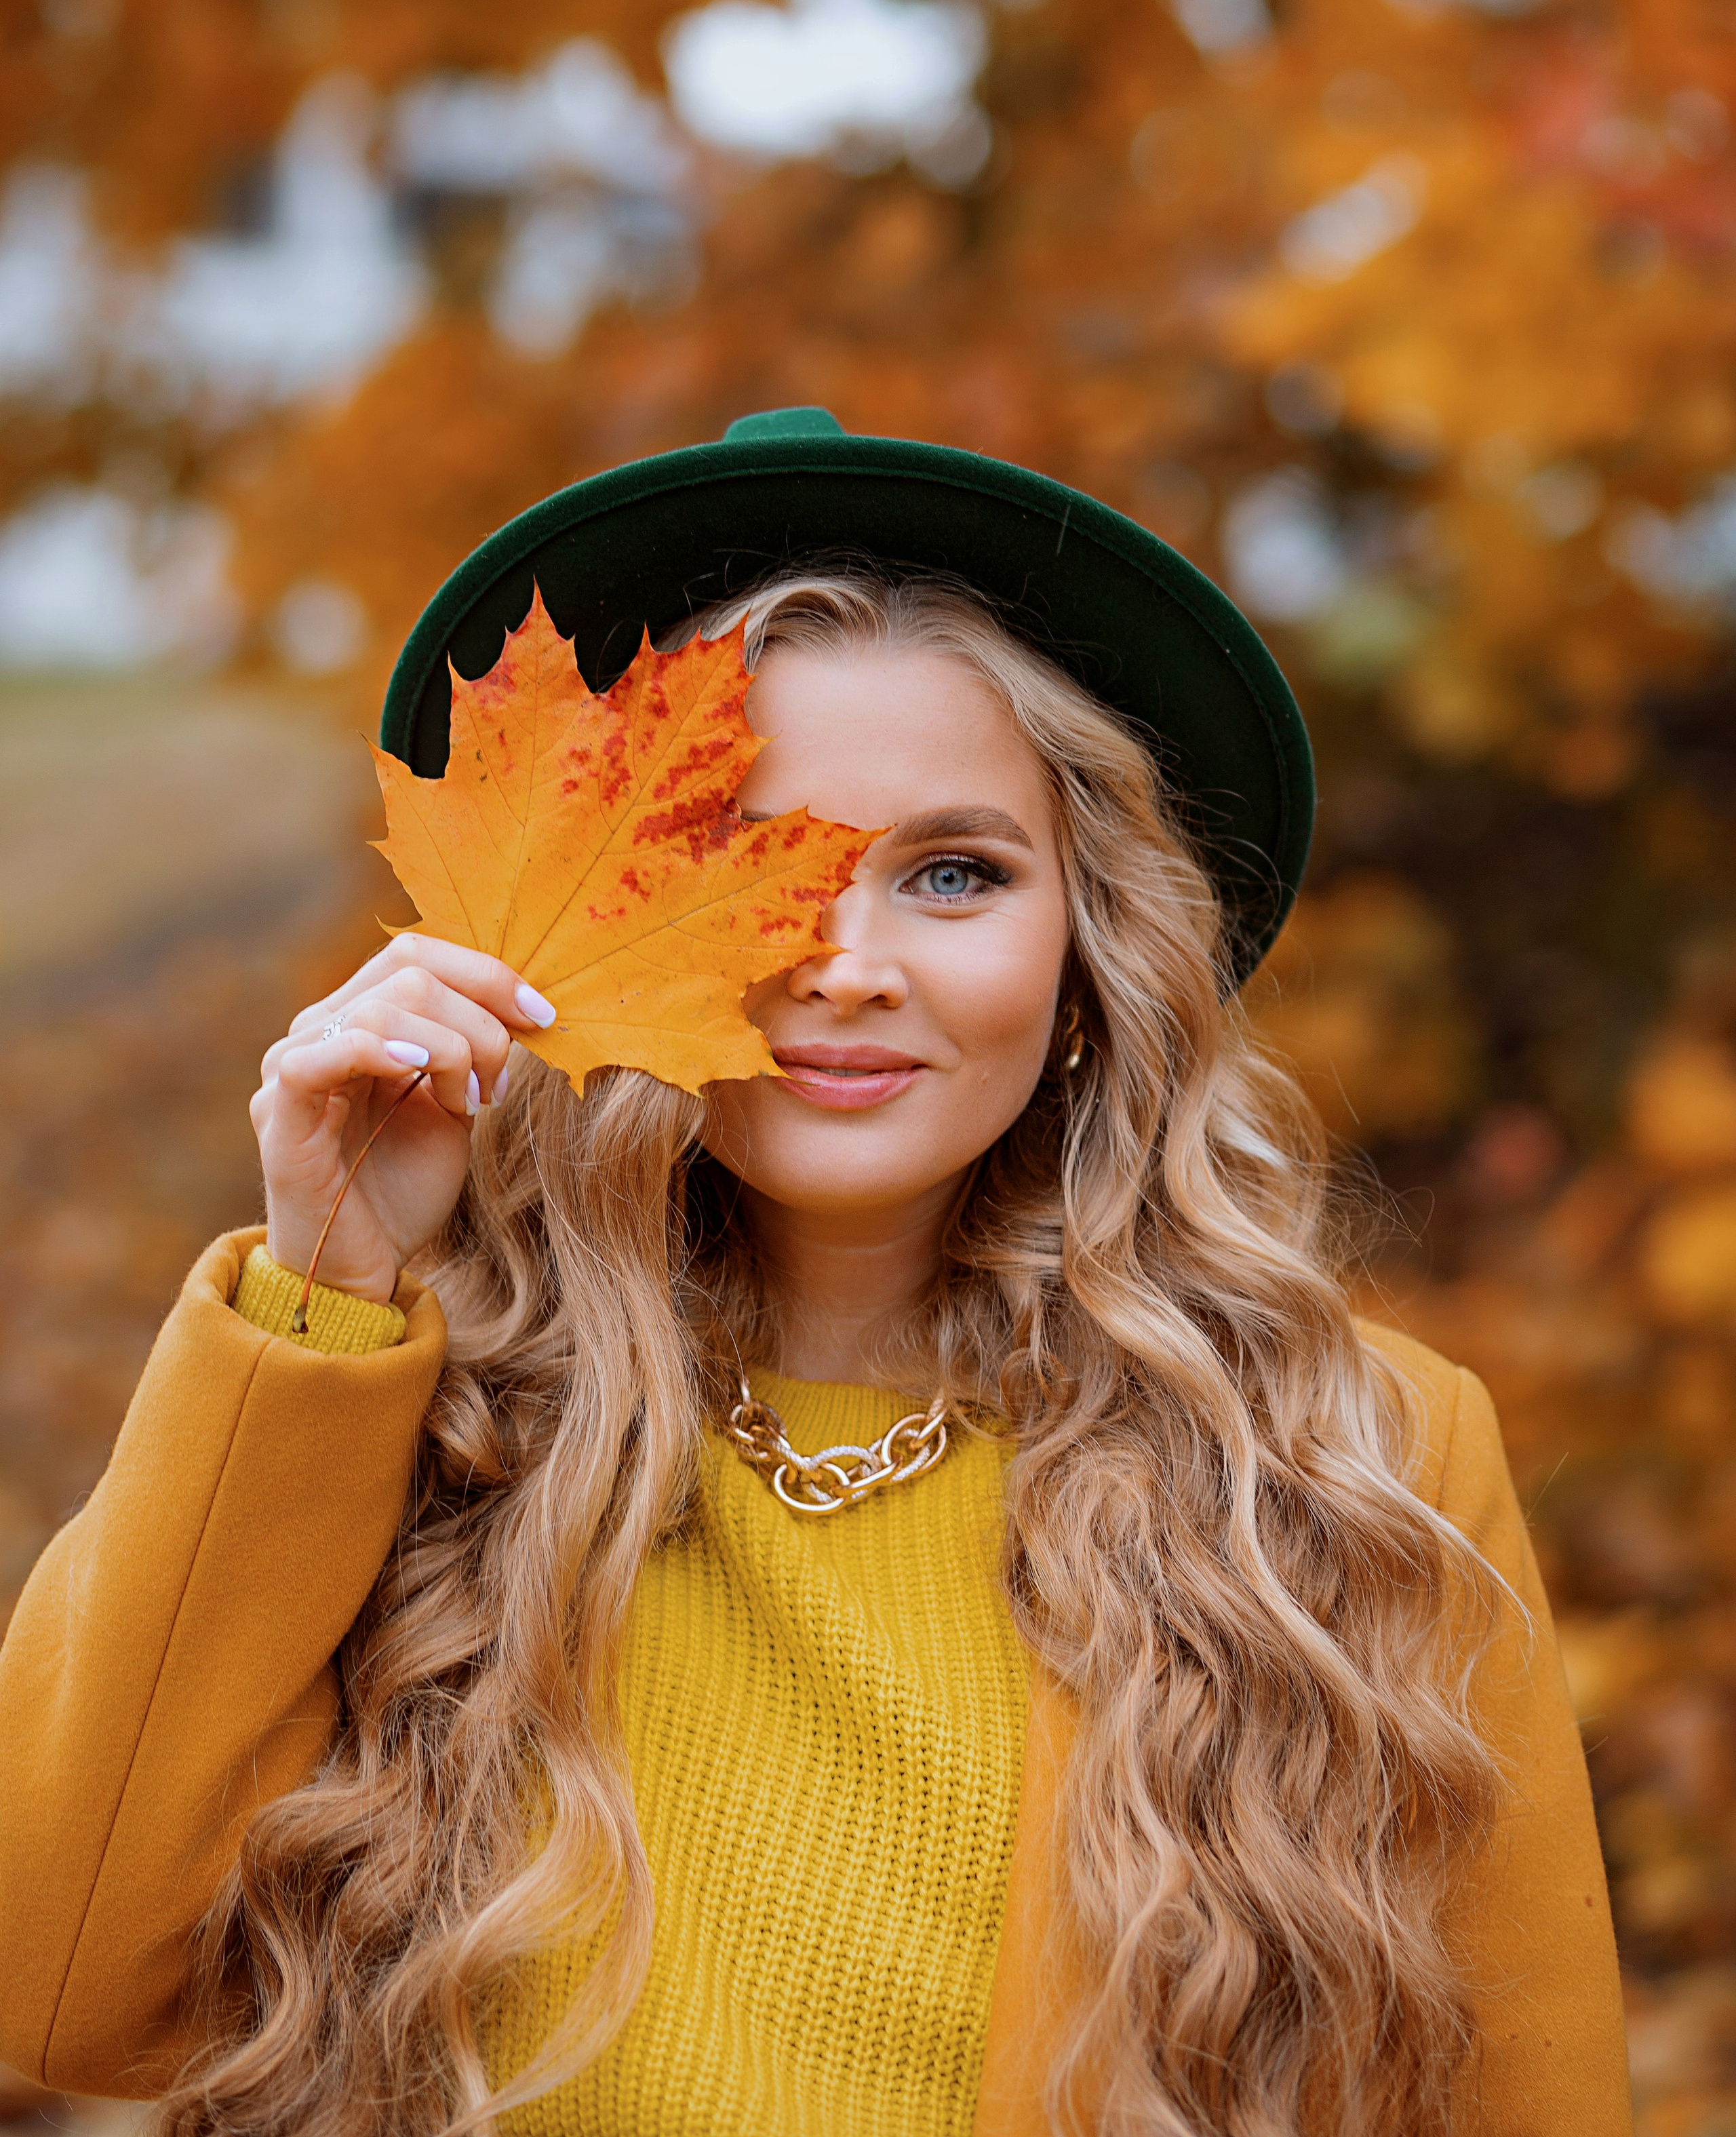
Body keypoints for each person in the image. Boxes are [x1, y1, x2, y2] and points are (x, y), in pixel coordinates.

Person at [0, 410, 1629, 2136]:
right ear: (580, 930)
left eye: (951, 872)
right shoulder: (404, 1424)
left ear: (1089, 950)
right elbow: (56, 1978)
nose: (843, 965)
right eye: (740, 858)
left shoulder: (1340, 1467)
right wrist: (321, 1292)